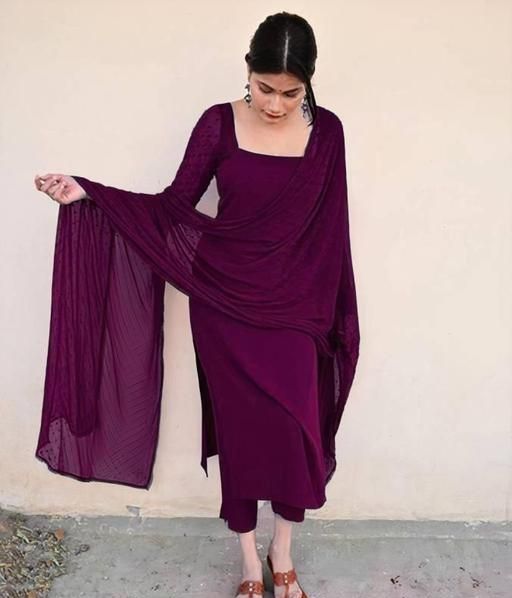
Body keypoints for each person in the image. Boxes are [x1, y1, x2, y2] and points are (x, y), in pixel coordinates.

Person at [34, 11, 360, 598]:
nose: (276, 104)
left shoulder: (329, 133)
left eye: (291, 93)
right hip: (224, 304)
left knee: (295, 432)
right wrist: (92, 194)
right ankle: (249, 562)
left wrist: (329, 315)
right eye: (265, 88)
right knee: (241, 435)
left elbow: (330, 231)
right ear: (248, 72)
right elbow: (173, 207)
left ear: (310, 82)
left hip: (296, 309)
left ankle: (283, 550)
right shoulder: (218, 123)